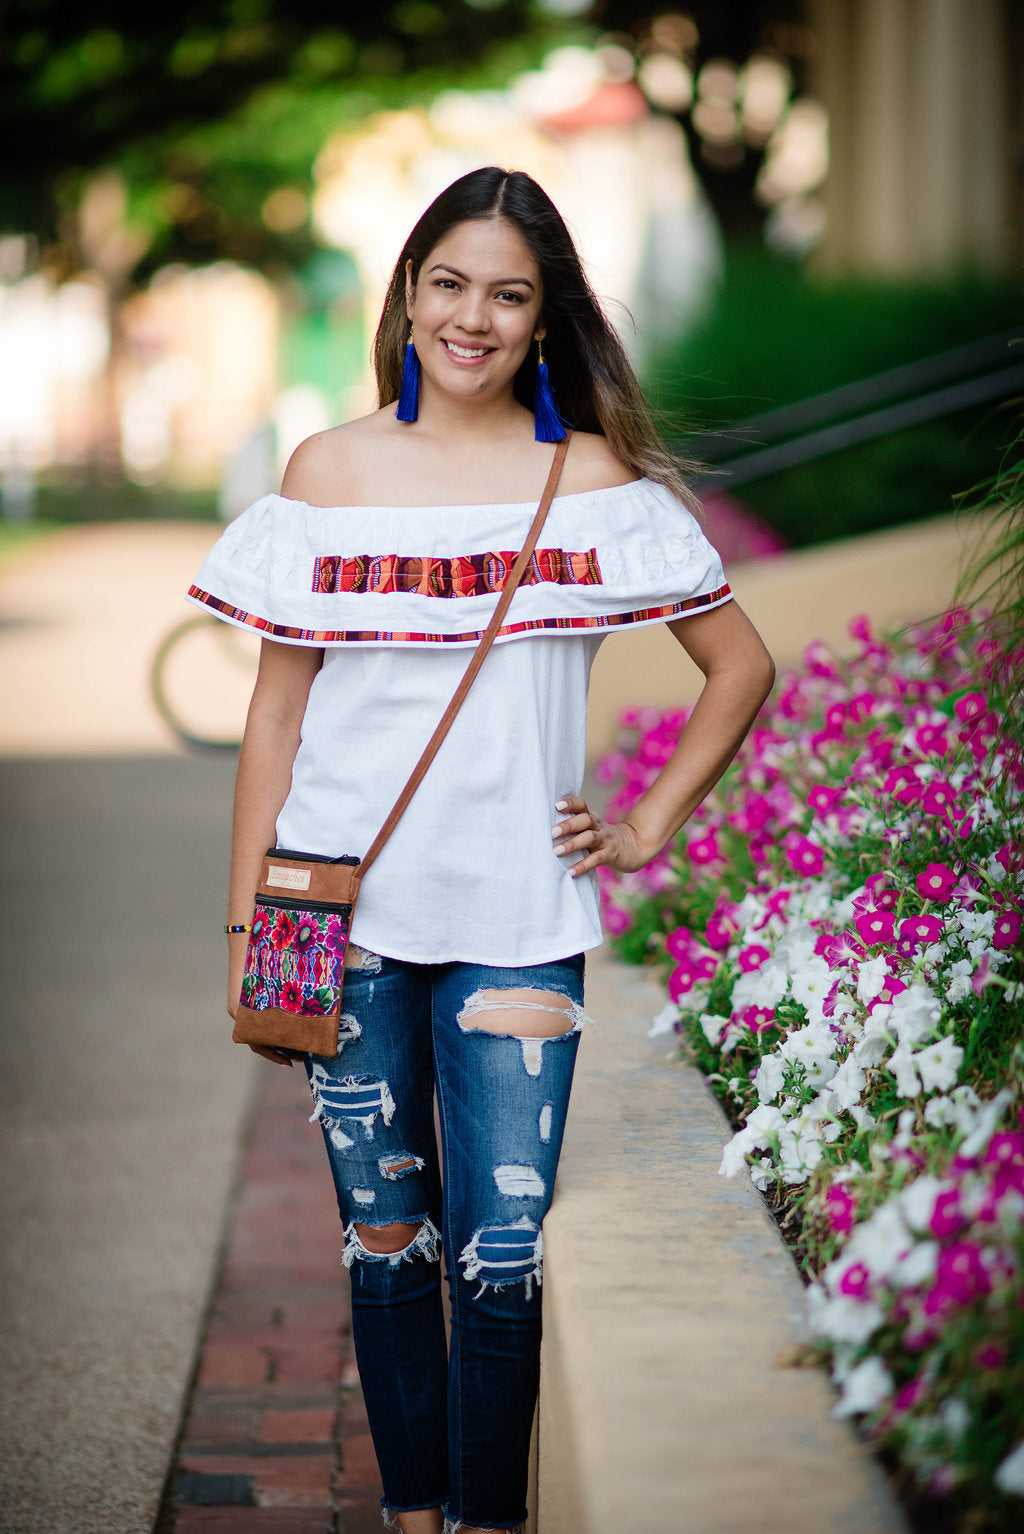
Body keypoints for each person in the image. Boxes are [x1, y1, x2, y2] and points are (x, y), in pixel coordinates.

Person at [188, 166, 774, 1534]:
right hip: (339, 918)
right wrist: (245, 938)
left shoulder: (593, 482)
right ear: (405, 295)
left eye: (509, 294)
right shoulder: (326, 471)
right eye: (448, 284)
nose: (474, 317)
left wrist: (640, 825)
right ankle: (413, 1515)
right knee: (386, 1247)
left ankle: (486, 1523)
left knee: (501, 1260)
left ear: (542, 315)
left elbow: (738, 665)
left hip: (521, 912)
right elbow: (276, 719)